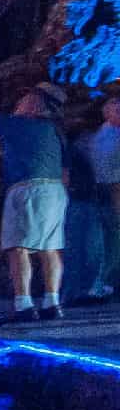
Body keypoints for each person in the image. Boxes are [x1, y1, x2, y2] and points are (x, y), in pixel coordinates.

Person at [0, 81, 69, 322]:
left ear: (36, 104)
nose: (18, 102)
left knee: (18, 247)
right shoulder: (53, 131)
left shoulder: (22, 125)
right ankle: (52, 303)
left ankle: (24, 305)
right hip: (55, 190)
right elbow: (65, 170)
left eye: (26, 97)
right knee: (49, 247)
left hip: (27, 189)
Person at [82, 95, 120, 302]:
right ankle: (103, 282)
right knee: (111, 237)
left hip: (112, 187)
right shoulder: (104, 134)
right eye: (114, 108)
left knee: (113, 236)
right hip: (108, 188)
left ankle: (104, 282)